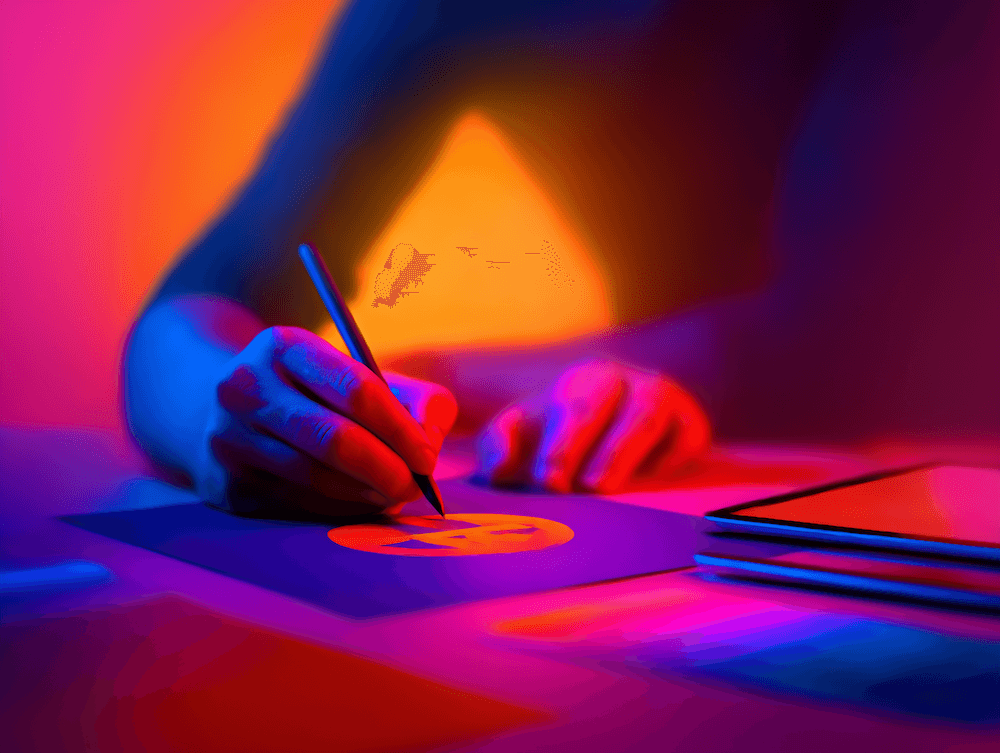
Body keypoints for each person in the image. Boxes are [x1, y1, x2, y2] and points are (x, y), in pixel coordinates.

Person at [124, 0, 1000, 517]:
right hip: (665, 496)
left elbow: (864, 343)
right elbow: (193, 305)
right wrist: (227, 417)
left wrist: (445, 372)